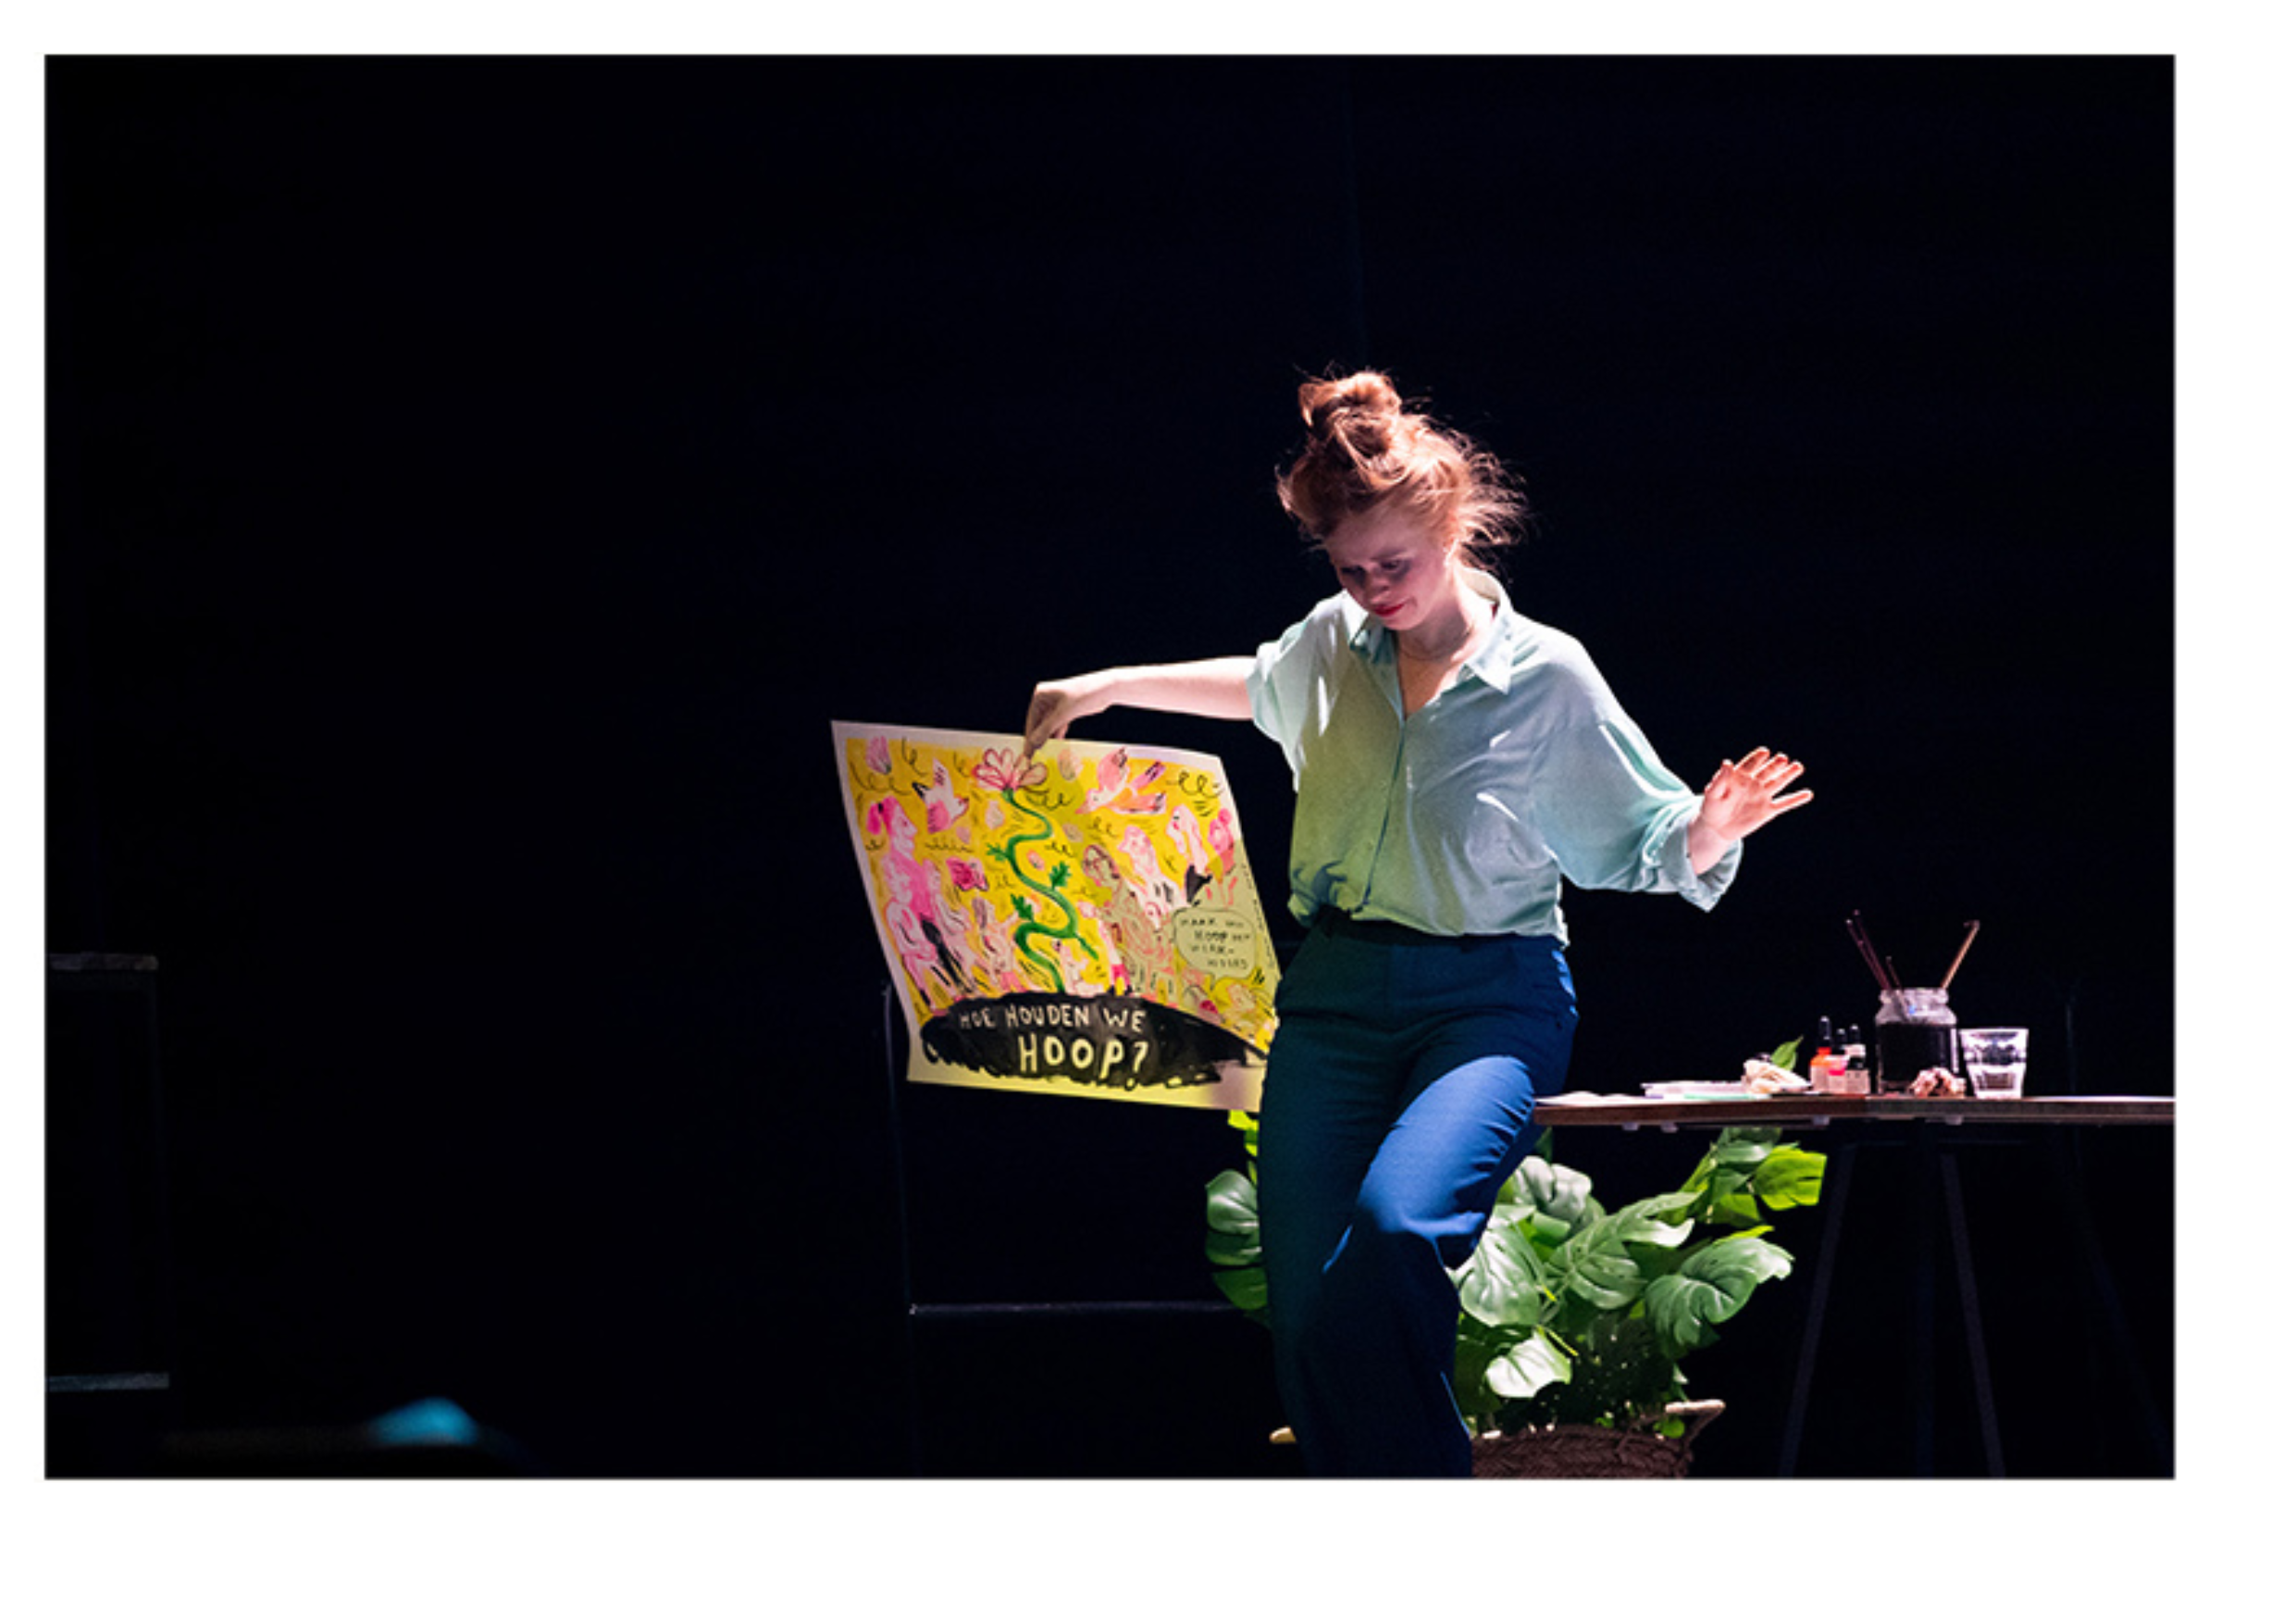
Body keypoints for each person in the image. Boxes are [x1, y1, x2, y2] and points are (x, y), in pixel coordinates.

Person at [1020, 371, 1811, 1476]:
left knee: (1395, 1235)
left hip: (1488, 1002)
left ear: (1453, 531)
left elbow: (1639, 828)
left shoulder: (1544, 676)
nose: (1374, 588)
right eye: (1350, 570)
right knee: (1304, 1314)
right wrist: (1106, 685)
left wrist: (1710, 828)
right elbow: (1261, 685)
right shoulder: (1334, 641)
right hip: (1337, 999)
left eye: (1395, 563)